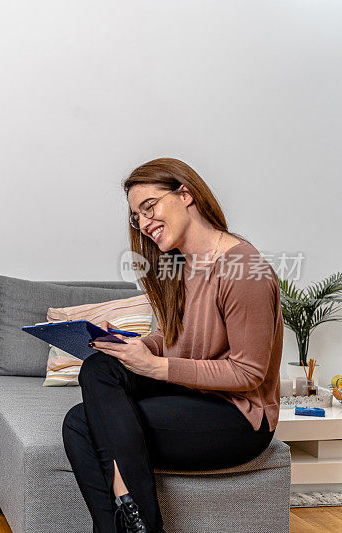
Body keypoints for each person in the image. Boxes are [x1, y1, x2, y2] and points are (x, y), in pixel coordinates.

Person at [62, 158, 283, 533]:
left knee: (83, 422)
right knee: (95, 378)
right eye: (137, 217)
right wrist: (133, 344)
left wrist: (156, 367)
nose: (144, 224)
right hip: (194, 392)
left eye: (149, 208)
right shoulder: (179, 265)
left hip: (239, 417)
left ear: (186, 195)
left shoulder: (242, 267)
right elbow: (179, 338)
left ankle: (143, 526)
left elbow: (249, 373)